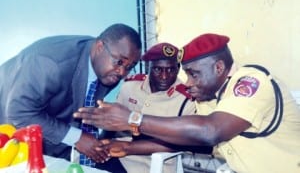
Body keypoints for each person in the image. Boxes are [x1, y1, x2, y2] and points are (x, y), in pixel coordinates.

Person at [74, 33, 300, 173]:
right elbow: (192, 141)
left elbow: (210, 132)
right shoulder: (209, 98)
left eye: (194, 74)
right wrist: (127, 146)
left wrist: (133, 120)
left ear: (218, 68)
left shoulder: (252, 82)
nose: (188, 82)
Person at [0, 23, 142, 173]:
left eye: (129, 66)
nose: (122, 72)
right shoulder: (50, 62)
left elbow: (68, 108)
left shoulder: (108, 71)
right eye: (119, 62)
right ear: (100, 46)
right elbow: (19, 112)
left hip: (44, 139)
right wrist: (77, 137)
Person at [103, 42, 197, 173]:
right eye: (158, 69)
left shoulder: (186, 99)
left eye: (171, 69)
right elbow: (112, 122)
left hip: (154, 165)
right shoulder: (130, 86)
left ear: (178, 68)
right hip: (118, 158)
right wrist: (100, 143)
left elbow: (184, 141)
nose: (164, 76)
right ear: (148, 66)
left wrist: (129, 147)